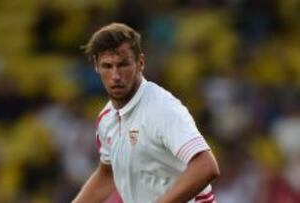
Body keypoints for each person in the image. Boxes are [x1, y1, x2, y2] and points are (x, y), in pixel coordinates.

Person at [72, 22, 220, 203]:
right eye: (107, 66)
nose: (116, 76)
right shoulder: (107, 118)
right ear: (96, 66)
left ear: (140, 62)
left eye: (123, 64)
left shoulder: (161, 109)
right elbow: (108, 174)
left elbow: (206, 166)